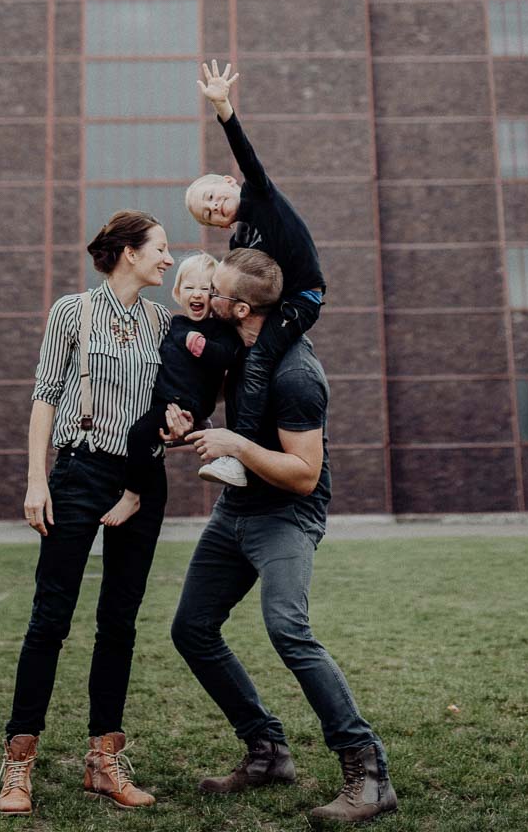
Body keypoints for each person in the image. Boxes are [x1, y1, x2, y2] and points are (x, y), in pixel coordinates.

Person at [172, 248, 398, 824]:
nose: (207, 297)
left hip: (287, 515)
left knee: (287, 628)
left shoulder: (297, 372)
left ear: (241, 306)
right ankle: (267, 752)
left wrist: (236, 445)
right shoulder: (243, 350)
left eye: (216, 292)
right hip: (237, 510)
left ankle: (369, 773)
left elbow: (305, 475)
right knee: (192, 629)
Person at [0, 211, 175, 817]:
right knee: (51, 619)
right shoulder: (71, 311)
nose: (168, 260)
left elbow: (174, 405)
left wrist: (178, 426)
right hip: (78, 471)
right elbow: (45, 395)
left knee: (119, 623)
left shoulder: (161, 322)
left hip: (141, 481)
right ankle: (18, 762)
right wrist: (36, 479)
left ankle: (104, 761)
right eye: (160, 249)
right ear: (128, 253)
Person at [185, 60, 325, 487]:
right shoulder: (239, 240)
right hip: (268, 301)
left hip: (301, 299)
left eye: (213, 197)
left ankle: (238, 452)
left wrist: (222, 106)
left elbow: (246, 153)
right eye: (208, 214)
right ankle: (191, 412)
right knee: (233, 350)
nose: (214, 208)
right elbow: (233, 282)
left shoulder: (261, 196)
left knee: (261, 355)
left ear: (230, 183)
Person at [101, 251, 244, 527]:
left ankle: (132, 496)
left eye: (206, 288)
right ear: (178, 292)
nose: (197, 293)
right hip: (163, 400)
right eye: (190, 287)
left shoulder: (219, 331)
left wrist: (202, 346)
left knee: (139, 433)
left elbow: (228, 358)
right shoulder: (174, 324)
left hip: (186, 404)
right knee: (142, 433)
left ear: (215, 295)